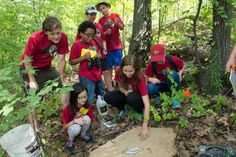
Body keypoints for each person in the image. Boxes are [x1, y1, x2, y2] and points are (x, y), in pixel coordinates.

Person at [20, 16, 69, 130]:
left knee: (65, 88)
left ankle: (66, 120)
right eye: (52, 34)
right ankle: (34, 130)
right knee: (32, 99)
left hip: (46, 67)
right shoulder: (35, 38)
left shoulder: (63, 38)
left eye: (58, 33)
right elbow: (27, 59)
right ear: (46, 32)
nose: (56, 36)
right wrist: (32, 80)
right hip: (28, 68)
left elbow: (61, 59)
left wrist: (61, 76)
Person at [104, 55, 150, 139]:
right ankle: (123, 109)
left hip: (137, 97)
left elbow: (147, 104)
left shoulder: (140, 77)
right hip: (127, 93)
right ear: (122, 68)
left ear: (135, 69)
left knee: (131, 98)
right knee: (108, 96)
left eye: (131, 71)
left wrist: (145, 125)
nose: (127, 74)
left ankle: (138, 110)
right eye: (125, 70)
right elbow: (120, 86)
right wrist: (125, 92)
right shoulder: (119, 71)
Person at [69, 21, 104, 104]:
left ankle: (102, 108)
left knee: (101, 92)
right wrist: (83, 57)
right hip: (86, 76)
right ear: (81, 33)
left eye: (92, 35)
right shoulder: (77, 45)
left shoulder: (94, 42)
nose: (90, 37)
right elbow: (71, 61)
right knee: (89, 96)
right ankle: (88, 112)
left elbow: (100, 55)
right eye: (88, 35)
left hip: (97, 74)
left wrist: (98, 55)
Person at [96, 1, 124, 91]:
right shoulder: (100, 21)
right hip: (106, 48)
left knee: (118, 67)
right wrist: (105, 32)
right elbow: (99, 35)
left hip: (116, 46)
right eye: (100, 9)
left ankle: (120, 87)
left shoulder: (115, 15)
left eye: (103, 8)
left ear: (108, 7)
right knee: (108, 69)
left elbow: (122, 27)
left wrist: (117, 23)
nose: (102, 10)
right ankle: (110, 88)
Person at [61, 83, 94, 153]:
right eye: (79, 98)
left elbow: (90, 119)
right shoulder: (68, 109)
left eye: (85, 97)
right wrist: (75, 121)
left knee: (87, 119)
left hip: (81, 123)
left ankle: (83, 134)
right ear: (74, 98)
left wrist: (82, 117)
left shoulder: (87, 105)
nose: (83, 100)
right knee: (76, 128)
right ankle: (70, 141)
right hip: (71, 127)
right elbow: (64, 127)